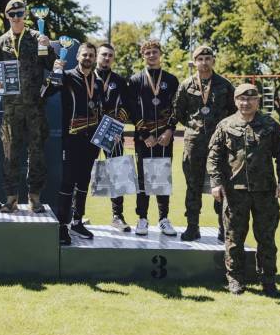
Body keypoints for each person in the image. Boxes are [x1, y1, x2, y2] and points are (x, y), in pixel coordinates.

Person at [207, 83, 280, 296]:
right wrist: (216, 183)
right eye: (242, 99)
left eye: (251, 99)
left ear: (258, 101)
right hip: (234, 192)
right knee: (234, 238)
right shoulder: (225, 125)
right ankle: (235, 279)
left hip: (265, 192)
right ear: (235, 101)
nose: (246, 103)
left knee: (266, 239)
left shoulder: (270, 125)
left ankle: (268, 280)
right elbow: (214, 157)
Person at [0, 0, 56, 212]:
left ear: (25, 15)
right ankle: (11, 199)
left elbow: (52, 66)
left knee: (36, 154)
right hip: (11, 109)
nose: (16, 18)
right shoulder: (0, 42)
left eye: (20, 14)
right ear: (7, 16)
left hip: (35, 108)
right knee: (10, 155)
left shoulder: (38, 37)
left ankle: (34, 198)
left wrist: (48, 47)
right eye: (12, 14)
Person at [44, 42, 105, 245]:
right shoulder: (67, 77)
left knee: (84, 182)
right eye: (84, 54)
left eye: (91, 55)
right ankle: (62, 226)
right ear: (77, 56)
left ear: (94, 58)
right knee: (68, 181)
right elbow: (46, 93)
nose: (88, 58)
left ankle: (77, 222)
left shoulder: (98, 81)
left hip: (92, 141)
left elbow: (101, 109)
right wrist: (55, 72)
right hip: (72, 139)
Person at [173, 44, 235, 241]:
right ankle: (193, 227)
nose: (204, 62)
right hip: (194, 143)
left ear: (213, 61)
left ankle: (223, 228)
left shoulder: (225, 85)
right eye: (200, 59)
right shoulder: (186, 85)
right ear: (195, 62)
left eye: (208, 59)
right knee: (193, 185)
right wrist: (194, 126)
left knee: (221, 184)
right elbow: (178, 112)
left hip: (219, 144)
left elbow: (234, 111)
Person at [128, 39, 180, 237]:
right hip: (144, 138)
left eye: (154, 52)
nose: (151, 55)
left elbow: (177, 108)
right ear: (143, 56)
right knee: (143, 178)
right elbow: (132, 109)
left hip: (164, 137)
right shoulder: (135, 80)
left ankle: (163, 219)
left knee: (162, 177)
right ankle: (142, 218)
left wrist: (170, 130)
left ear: (160, 54)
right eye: (147, 52)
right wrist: (144, 134)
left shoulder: (171, 80)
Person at [95, 43, 135, 232]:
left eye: (110, 55)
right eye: (104, 54)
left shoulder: (119, 80)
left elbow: (128, 106)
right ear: (97, 56)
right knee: (82, 172)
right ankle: (76, 216)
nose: (107, 58)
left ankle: (117, 216)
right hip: (88, 129)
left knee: (117, 171)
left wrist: (118, 125)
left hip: (112, 131)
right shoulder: (86, 76)